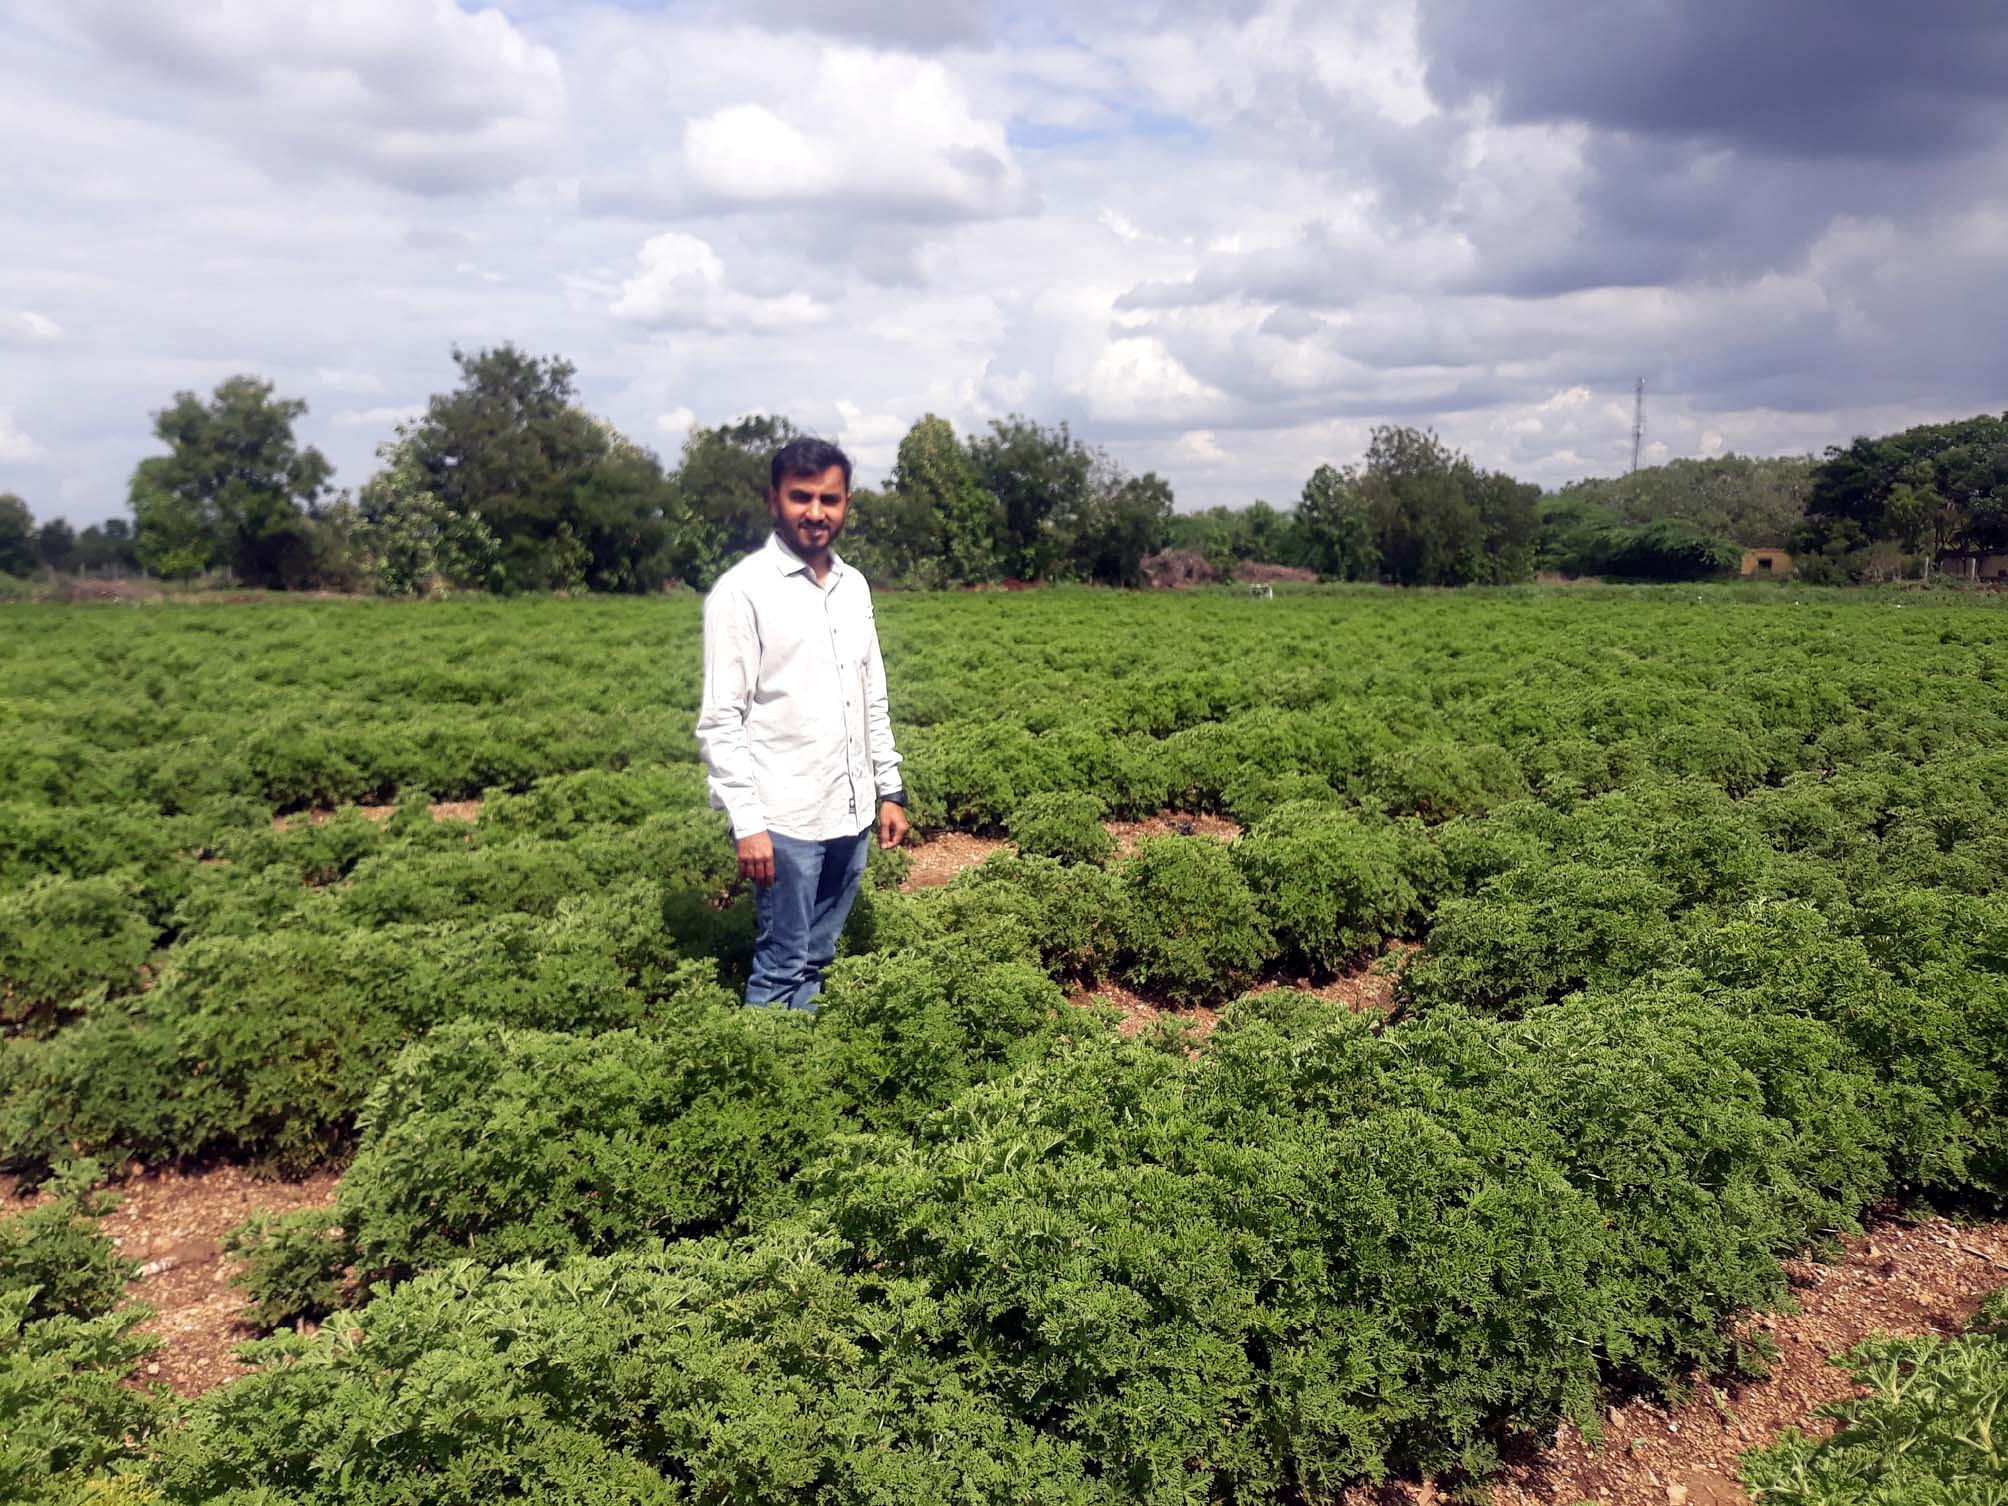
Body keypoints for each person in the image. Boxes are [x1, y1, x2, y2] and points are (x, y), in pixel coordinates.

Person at [694, 437, 909, 1009]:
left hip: (851, 809)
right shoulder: (742, 592)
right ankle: (764, 1080)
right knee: (781, 962)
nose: (816, 512)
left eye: (829, 499)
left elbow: (872, 697)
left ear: (846, 504)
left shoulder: (853, 586)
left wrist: (889, 789)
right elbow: (721, 720)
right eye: (801, 497)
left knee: (818, 956)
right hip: (784, 820)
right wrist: (748, 823)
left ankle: (803, 1073)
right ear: (774, 501)